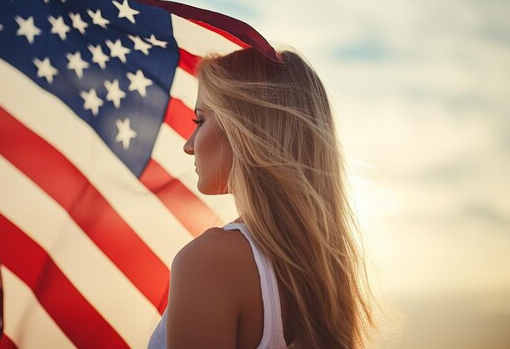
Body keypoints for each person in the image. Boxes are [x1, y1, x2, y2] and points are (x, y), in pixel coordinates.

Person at [148, 48, 375, 349]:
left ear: (243, 127)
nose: (188, 146)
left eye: (199, 121)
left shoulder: (209, 262)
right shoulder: (326, 270)